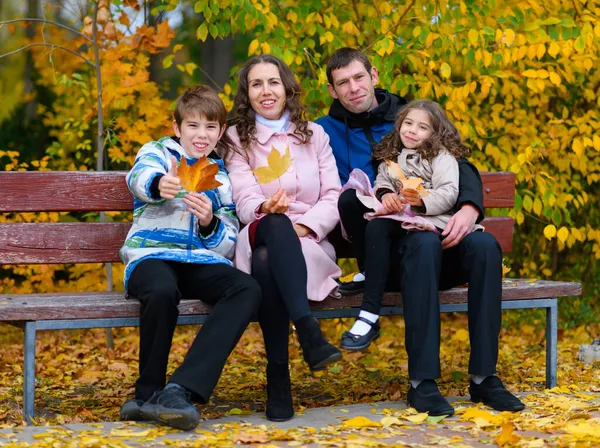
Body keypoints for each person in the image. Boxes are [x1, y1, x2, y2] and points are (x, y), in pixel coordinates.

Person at [317, 48, 524, 416]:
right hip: (386, 254)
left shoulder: (409, 117)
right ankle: (423, 382)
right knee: (423, 244)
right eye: (342, 82)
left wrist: (470, 206)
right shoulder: (322, 133)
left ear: (374, 75)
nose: (353, 88)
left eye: (358, 77)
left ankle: (484, 378)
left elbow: (460, 164)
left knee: (485, 246)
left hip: (435, 232)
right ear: (332, 90)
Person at [119, 85, 262, 430]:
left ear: (221, 131)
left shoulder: (220, 176)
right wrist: (158, 186)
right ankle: (147, 392)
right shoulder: (158, 153)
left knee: (247, 289)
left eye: (210, 127)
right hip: (151, 257)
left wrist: (209, 221)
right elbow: (138, 177)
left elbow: (227, 242)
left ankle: (180, 389)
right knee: (162, 289)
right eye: (193, 126)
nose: (202, 135)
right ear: (177, 127)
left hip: (199, 263)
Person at [225, 55, 342, 422]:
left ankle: (278, 378)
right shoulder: (235, 138)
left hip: (307, 239)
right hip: (260, 229)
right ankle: (308, 331)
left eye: (273, 82)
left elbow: (334, 194)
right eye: (256, 84)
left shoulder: (315, 134)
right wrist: (266, 206)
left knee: (268, 261)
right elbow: (243, 198)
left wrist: (305, 227)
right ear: (247, 93)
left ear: (286, 87)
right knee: (273, 228)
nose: (266, 91)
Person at [339, 99, 479, 352]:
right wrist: (385, 195)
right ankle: (368, 315)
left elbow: (449, 192)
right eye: (408, 123)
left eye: (422, 127)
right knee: (374, 223)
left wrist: (421, 201)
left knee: (383, 227)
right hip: (398, 220)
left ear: (436, 133)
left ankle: (369, 305)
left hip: (426, 223)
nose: (412, 130)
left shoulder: (441, 157)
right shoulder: (391, 157)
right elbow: (382, 180)